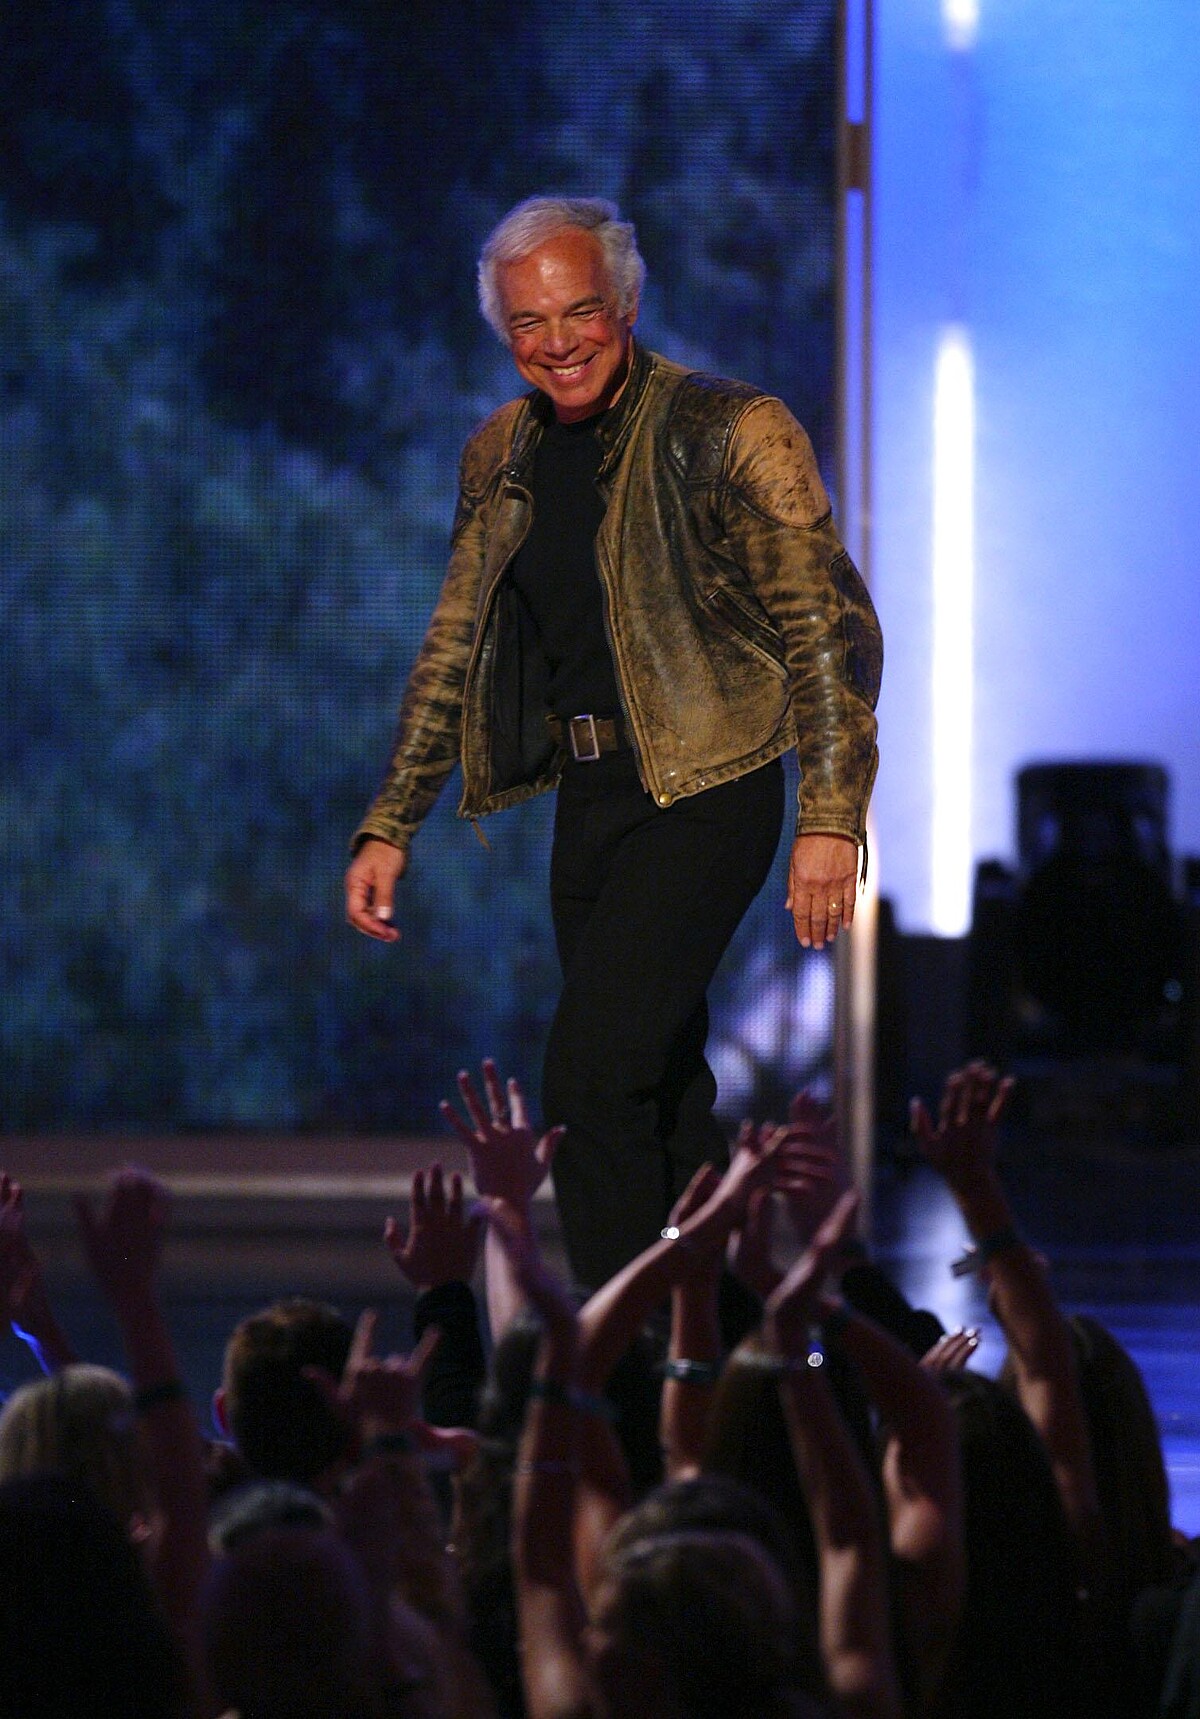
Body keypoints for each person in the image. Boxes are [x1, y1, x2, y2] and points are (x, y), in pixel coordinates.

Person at [346, 195, 882, 1292]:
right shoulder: (500, 453)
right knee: (663, 1095)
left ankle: (619, 1359)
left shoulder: (732, 429)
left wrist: (831, 817)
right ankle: (740, 1346)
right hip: (592, 804)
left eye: (579, 312)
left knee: (590, 1083)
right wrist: (391, 821)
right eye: (529, 323)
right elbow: (454, 645)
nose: (558, 343)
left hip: (708, 791)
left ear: (626, 304)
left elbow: (829, 633)